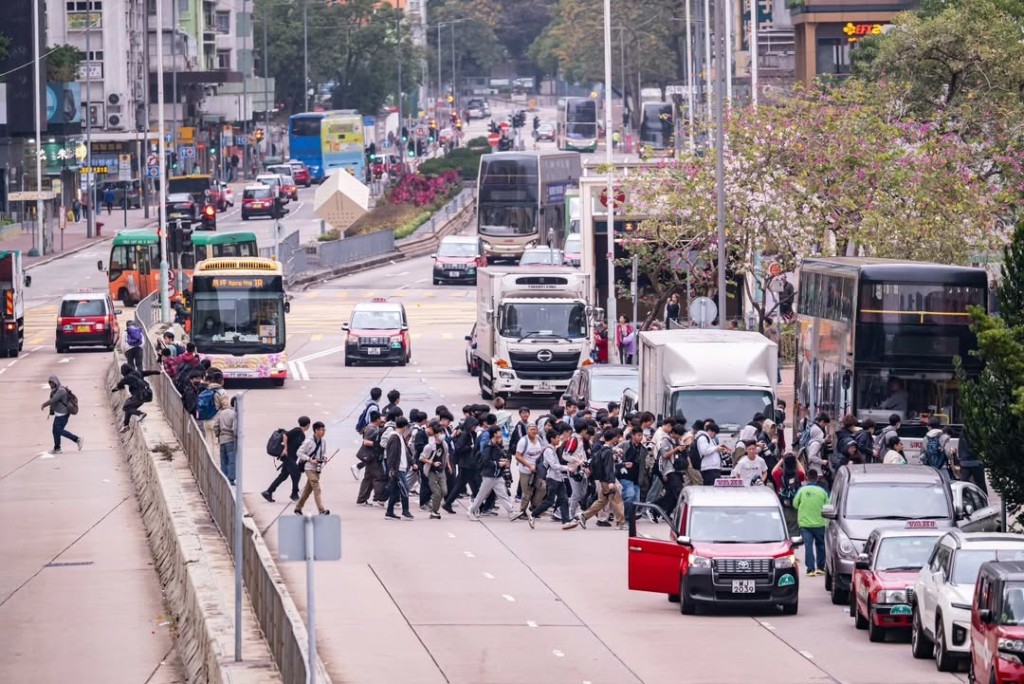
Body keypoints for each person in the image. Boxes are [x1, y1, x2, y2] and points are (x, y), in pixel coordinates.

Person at [575, 428, 626, 529]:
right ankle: (620, 523)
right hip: (607, 480)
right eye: (616, 437)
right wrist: (611, 481)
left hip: (602, 480)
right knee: (617, 500)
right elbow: (609, 468)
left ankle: (584, 516)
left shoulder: (602, 450)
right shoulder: (608, 452)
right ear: (613, 438)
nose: (618, 439)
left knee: (602, 501)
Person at [468, 426, 517, 520]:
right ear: (494, 433)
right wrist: (498, 464)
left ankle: (511, 513)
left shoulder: (496, 446)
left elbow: (497, 458)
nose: (501, 433)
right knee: (481, 496)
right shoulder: (488, 446)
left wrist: (503, 462)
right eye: (499, 431)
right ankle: (471, 511)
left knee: (503, 495)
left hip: (497, 476)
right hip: (489, 476)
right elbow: (485, 461)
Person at [262, 416, 311, 503]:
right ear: (308, 425)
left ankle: (268, 492)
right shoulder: (297, 430)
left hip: (292, 458)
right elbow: (285, 435)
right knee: (297, 473)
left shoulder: (302, 435)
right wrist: (285, 448)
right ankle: (294, 493)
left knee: (283, 476)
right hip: (288, 457)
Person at [792, 469, 829, 576]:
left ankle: (810, 569)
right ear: (817, 478)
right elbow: (828, 506)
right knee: (820, 545)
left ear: (806, 478)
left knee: (808, 546)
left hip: (805, 524)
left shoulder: (802, 491)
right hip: (820, 523)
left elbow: (795, 504)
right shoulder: (822, 492)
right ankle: (821, 568)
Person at [294, 421, 330, 516]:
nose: (323, 432)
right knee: (317, 488)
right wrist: (309, 459)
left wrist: (325, 458)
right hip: (309, 467)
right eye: (321, 430)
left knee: (307, 490)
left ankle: (298, 508)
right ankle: (321, 510)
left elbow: (324, 453)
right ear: (315, 430)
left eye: (324, 430)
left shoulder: (323, 441)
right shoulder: (308, 441)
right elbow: (299, 453)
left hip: (317, 468)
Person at [40, 375, 82, 453]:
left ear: (56, 382)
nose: (51, 385)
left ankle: (77, 439)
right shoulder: (55, 390)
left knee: (58, 431)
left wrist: (44, 405)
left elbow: (53, 400)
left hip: (63, 415)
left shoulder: (61, 390)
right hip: (58, 414)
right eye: (50, 383)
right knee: (55, 431)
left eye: (52, 383)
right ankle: (57, 448)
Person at [112, 363, 159, 432]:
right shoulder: (137, 373)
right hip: (146, 394)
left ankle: (140, 414)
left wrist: (116, 389)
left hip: (139, 396)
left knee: (126, 407)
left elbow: (120, 384)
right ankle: (126, 425)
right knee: (128, 405)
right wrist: (157, 372)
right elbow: (148, 372)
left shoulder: (127, 377)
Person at [385, 416, 415, 520]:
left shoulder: (400, 437)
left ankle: (389, 512)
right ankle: (405, 512)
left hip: (401, 468)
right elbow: (391, 455)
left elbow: (405, 452)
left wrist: (412, 463)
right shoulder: (394, 437)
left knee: (396, 491)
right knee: (404, 489)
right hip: (397, 469)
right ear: (404, 427)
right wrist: (392, 470)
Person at [355, 412, 387, 506]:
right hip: (372, 456)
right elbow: (365, 442)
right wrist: (378, 445)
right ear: (377, 419)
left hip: (371, 456)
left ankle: (362, 499)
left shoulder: (373, 427)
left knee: (368, 478)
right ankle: (379, 497)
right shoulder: (371, 429)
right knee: (379, 477)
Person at [515, 422, 548, 514]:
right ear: (527, 431)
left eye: (535, 429)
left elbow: (542, 453)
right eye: (531, 429)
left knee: (543, 488)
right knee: (526, 493)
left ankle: (534, 506)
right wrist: (529, 465)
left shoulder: (539, 440)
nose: (534, 431)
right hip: (525, 471)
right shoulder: (523, 442)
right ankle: (522, 511)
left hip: (537, 470)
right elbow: (518, 456)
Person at [420, 422, 451, 519]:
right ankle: (434, 511)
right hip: (432, 472)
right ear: (435, 434)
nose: (441, 435)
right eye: (439, 433)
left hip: (441, 471)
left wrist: (448, 466)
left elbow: (446, 455)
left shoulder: (444, 444)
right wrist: (432, 463)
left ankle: (434, 503)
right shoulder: (429, 446)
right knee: (437, 492)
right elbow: (422, 458)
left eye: (442, 432)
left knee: (444, 491)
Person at [214, 395, 238, 485]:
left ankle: (223, 478)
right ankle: (230, 479)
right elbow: (234, 429)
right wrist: (236, 437)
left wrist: (218, 435)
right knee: (231, 460)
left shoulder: (222, 413)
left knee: (223, 460)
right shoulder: (234, 414)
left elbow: (215, 426)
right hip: (230, 440)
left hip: (222, 439)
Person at [957, 429, 986, 494]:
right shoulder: (978, 430)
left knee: (963, 483)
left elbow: (960, 446)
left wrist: (960, 458)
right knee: (980, 483)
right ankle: (984, 500)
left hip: (965, 462)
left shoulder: (963, 431)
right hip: (977, 461)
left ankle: (963, 497)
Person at [763, 317, 781, 383]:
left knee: (771, 364)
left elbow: (765, 340)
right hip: (776, 348)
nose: (764, 324)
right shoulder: (775, 331)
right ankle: (778, 379)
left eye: (765, 322)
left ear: (767, 323)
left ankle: (775, 378)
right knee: (775, 363)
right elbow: (779, 340)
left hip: (770, 349)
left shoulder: (767, 331)